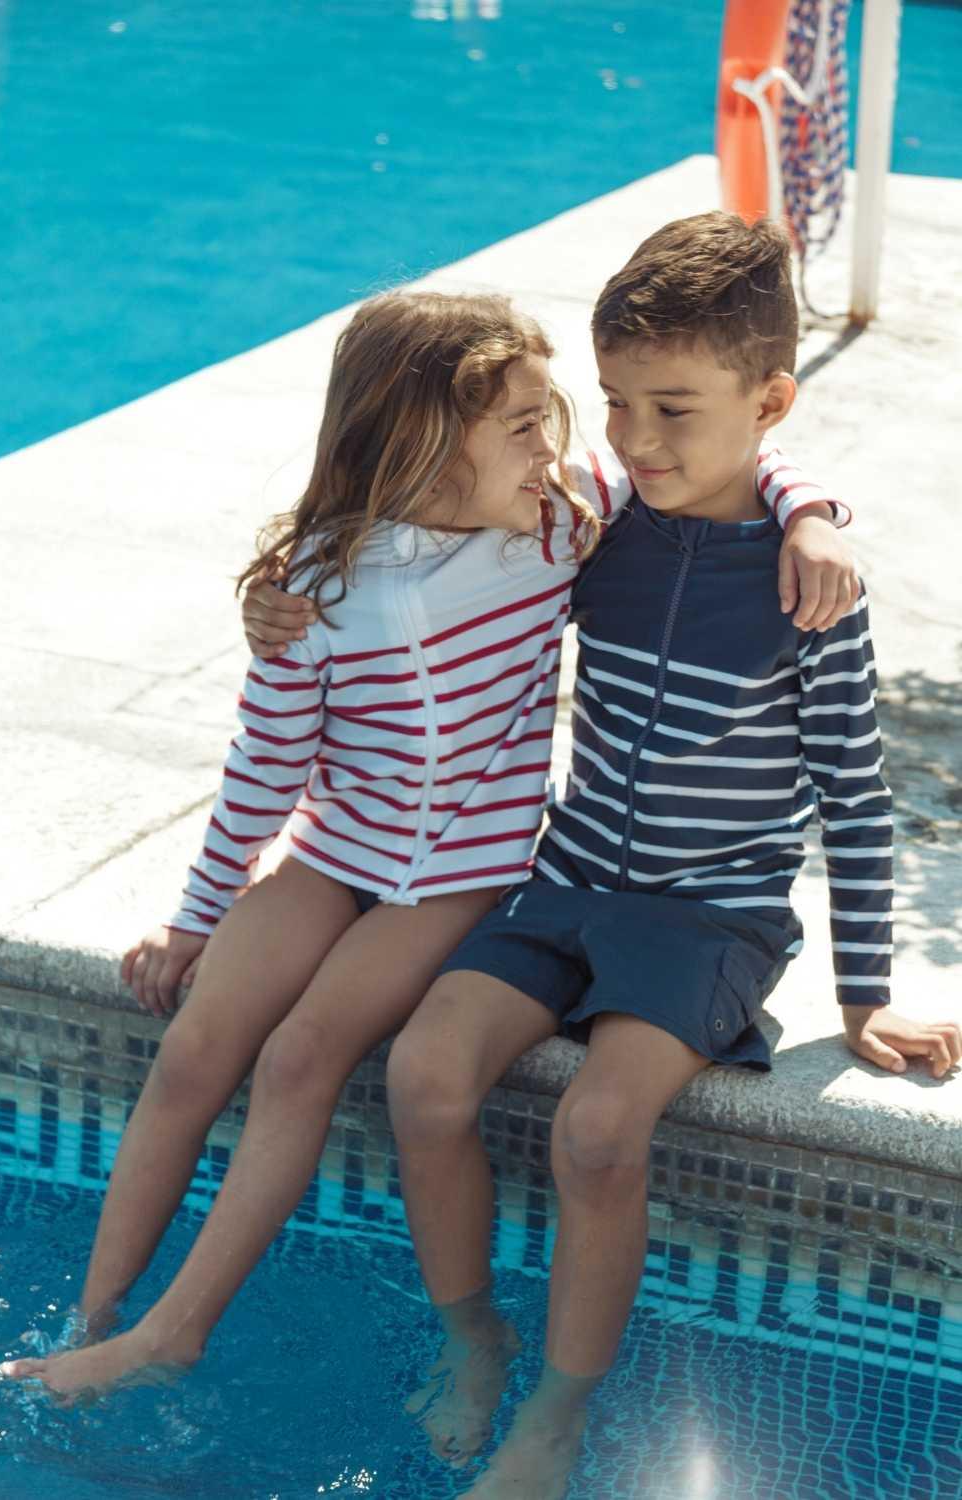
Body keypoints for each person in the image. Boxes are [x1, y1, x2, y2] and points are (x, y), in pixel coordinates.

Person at [0, 281, 847, 1404]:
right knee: (197, 1047)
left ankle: (176, 1331)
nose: (558, 444)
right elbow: (266, 767)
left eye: (551, 416)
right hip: (337, 853)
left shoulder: (557, 527)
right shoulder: (316, 587)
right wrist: (199, 918)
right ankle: (94, 1315)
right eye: (521, 423)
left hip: (461, 880)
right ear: (418, 443)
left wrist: (812, 512)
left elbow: (745, 468)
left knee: (302, 1056)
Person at [369, 216, 960, 1500]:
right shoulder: (595, 528)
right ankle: (475, 1335)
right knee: (420, 1075)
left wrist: (863, 994)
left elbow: (856, 799)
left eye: (673, 409)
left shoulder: (812, 593)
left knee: (595, 1131)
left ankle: (560, 1414)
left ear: (770, 400)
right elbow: (429, 501)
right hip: (565, 883)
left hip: (709, 924)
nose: (634, 440)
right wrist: (295, 586)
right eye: (617, 403)